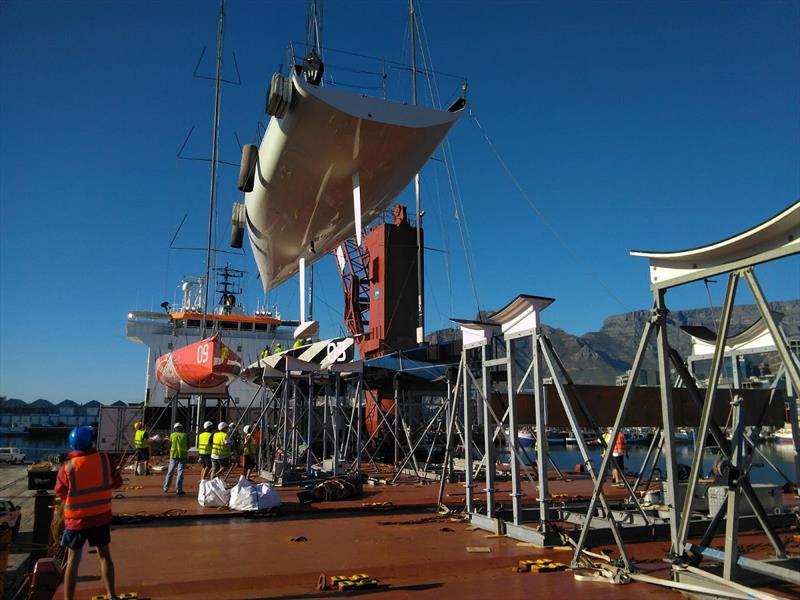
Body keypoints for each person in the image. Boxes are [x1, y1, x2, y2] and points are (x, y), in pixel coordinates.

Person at [55, 425, 123, 600]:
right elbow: (116, 483)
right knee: (104, 556)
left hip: (76, 521)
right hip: (100, 518)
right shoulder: (104, 460)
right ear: (91, 442)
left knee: (72, 560)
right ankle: (111, 594)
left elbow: (60, 491)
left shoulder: (67, 467)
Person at [163, 422, 188, 495]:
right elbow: (188, 445)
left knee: (170, 472)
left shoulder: (172, 435)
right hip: (182, 456)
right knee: (180, 473)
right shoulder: (185, 435)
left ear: (175, 428)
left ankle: (166, 488)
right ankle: (179, 490)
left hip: (173, 456)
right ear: (181, 428)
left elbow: (169, 445)